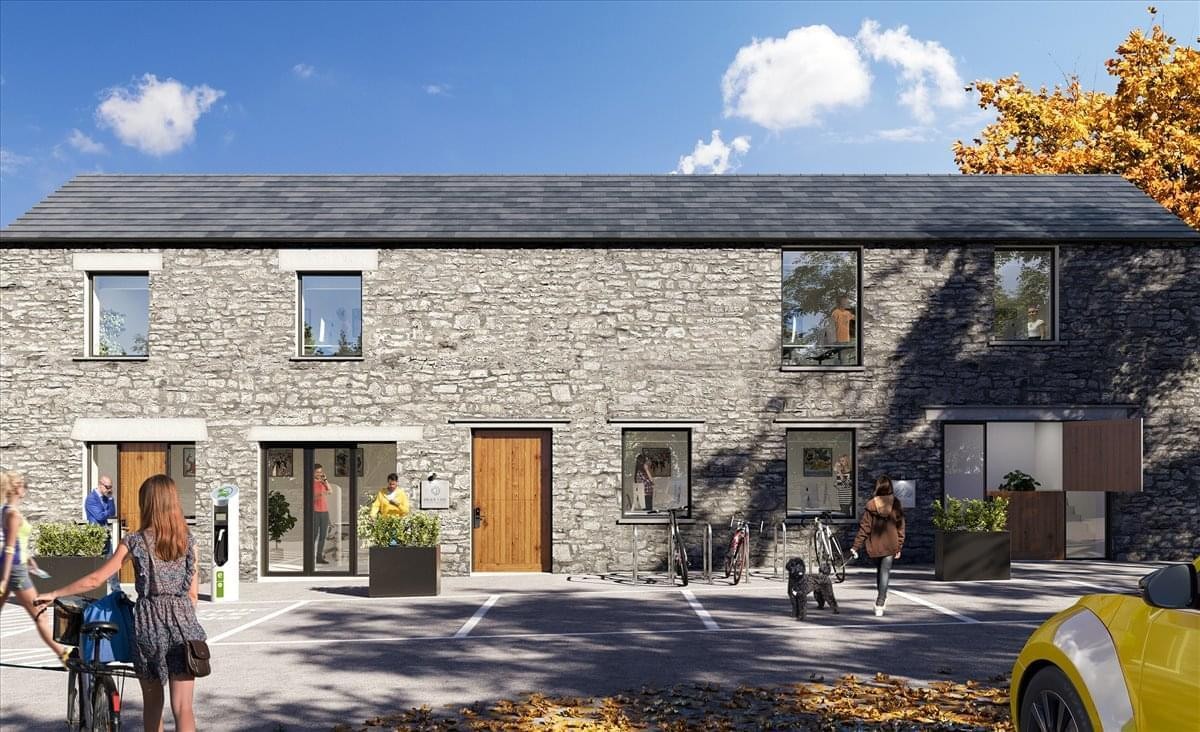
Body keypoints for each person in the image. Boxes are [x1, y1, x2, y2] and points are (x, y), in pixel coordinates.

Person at [37, 474, 205, 732]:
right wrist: (180, 615)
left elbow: (95, 579)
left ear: (146, 503)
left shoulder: (135, 541)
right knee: (184, 707)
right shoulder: (189, 541)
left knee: (153, 704)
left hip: (149, 626)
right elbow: (193, 595)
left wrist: (54, 593)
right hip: (185, 625)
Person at [0, 470, 70, 666]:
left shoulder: (5, 510)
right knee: (41, 613)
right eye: (24, 485)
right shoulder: (12, 514)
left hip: (14, 566)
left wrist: (29, 559)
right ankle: (63, 654)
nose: (26, 489)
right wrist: (5, 579)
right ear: (16, 488)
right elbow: (9, 547)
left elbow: (15, 542)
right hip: (15, 570)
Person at [850, 475, 906, 617]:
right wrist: (899, 545)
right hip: (891, 544)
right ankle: (880, 602)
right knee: (885, 572)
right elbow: (901, 527)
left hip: (875, 544)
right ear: (890, 487)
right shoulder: (896, 504)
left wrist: (856, 546)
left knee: (880, 571)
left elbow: (864, 528)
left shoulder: (871, 505)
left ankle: (881, 599)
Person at [86, 474, 119, 591]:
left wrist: (110, 498)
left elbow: (113, 512)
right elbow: (100, 517)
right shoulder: (91, 499)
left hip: (105, 535)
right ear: (100, 485)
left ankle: (117, 590)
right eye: (107, 487)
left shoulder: (106, 498)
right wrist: (107, 512)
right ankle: (95, 590)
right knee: (97, 565)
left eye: (111, 487)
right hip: (95, 536)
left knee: (111, 563)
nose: (109, 490)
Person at [313, 464, 332, 564]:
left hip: (325, 511)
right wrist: (319, 495)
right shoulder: (311, 483)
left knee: (323, 536)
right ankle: (310, 556)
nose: (319, 474)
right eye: (317, 472)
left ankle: (319, 557)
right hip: (315, 511)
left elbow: (330, 491)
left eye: (321, 472)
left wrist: (325, 480)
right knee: (314, 535)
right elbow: (310, 498)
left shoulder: (322, 482)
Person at [830, 296, 856, 364]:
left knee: (844, 357)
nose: (847, 302)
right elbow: (831, 326)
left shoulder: (847, 313)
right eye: (845, 301)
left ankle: (843, 368)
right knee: (838, 357)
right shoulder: (836, 312)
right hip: (838, 340)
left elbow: (855, 317)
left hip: (846, 340)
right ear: (840, 303)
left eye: (847, 301)